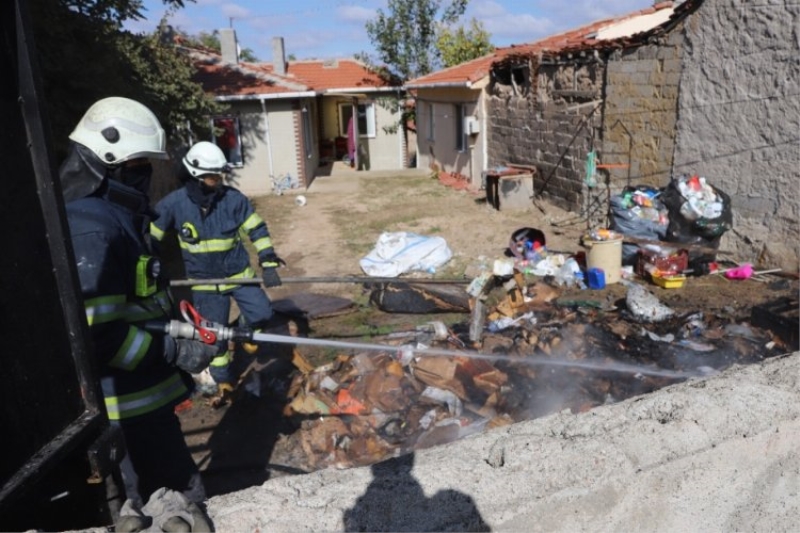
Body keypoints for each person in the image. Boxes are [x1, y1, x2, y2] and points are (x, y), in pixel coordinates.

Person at [58, 97, 219, 511]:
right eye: (138, 164)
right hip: (129, 412)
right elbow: (98, 337)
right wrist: (176, 350)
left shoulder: (112, 216)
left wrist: (179, 331)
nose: (146, 173)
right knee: (176, 504)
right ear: (108, 161)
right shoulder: (92, 229)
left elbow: (135, 304)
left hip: (145, 400)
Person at [150, 141, 285, 391]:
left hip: (239, 276)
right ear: (196, 175)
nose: (218, 180)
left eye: (219, 175)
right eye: (213, 176)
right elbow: (150, 239)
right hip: (204, 285)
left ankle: (246, 326)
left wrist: (267, 261)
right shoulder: (173, 205)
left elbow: (257, 229)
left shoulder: (233, 200)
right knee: (214, 335)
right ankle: (223, 378)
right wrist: (152, 268)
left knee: (263, 313)